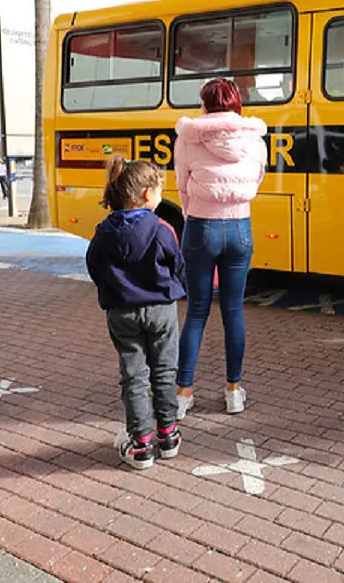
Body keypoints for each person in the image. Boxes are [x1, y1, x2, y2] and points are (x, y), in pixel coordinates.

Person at [85, 155, 187, 470]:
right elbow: (178, 266)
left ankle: (141, 444)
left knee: (133, 376)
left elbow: (94, 266)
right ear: (146, 195)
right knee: (165, 372)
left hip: (121, 312)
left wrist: (114, 290)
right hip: (161, 310)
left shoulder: (104, 232)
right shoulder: (162, 229)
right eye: (158, 190)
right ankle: (168, 435)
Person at [174, 78, 267, 419]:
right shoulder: (253, 137)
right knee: (233, 311)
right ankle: (233, 392)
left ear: (205, 103)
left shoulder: (188, 136)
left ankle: (182, 395)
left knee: (197, 312)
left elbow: (182, 183)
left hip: (200, 225)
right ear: (236, 103)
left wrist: (192, 213)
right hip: (240, 227)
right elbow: (257, 178)